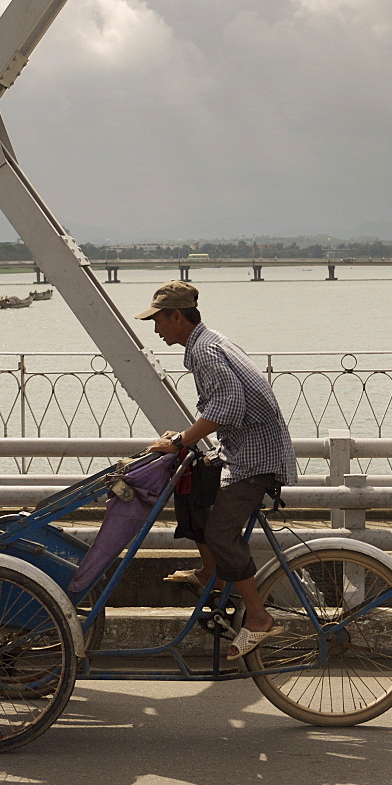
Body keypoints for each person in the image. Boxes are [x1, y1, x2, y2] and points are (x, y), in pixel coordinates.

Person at [134, 280, 297, 660]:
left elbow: (227, 408)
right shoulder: (209, 342)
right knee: (191, 483)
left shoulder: (205, 351)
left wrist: (179, 440)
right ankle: (212, 572)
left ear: (177, 317)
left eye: (158, 321)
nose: (156, 330)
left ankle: (258, 618)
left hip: (256, 458)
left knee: (223, 533)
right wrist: (185, 441)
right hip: (240, 450)